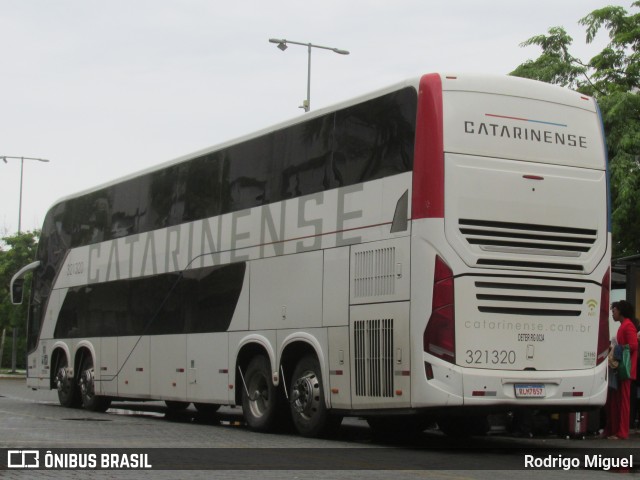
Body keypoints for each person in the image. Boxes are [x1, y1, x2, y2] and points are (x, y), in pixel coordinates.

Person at [603, 300, 639, 439]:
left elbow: (633, 345)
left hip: (626, 368)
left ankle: (622, 431)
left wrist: (618, 349)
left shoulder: (627, 326)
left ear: (621, 311)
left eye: (614, 310)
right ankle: (616, 429)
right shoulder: (625, 325)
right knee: (618, 400)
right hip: (624, 367)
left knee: (623, 401)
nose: (613, 313)